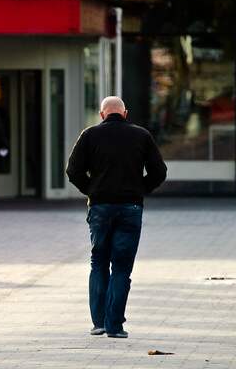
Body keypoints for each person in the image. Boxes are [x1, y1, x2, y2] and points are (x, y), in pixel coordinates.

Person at [66, 96, 167, 339]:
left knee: (98, 262)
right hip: (130, 207)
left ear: (102, 114)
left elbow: (73, 170)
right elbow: (159, 171)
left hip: (100, 206)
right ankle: (114, 326)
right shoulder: (141, 135)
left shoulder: (89, 135)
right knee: (121, 267)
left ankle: (98, 323)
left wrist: (92, 189)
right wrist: (140, 189)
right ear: (125, 113)